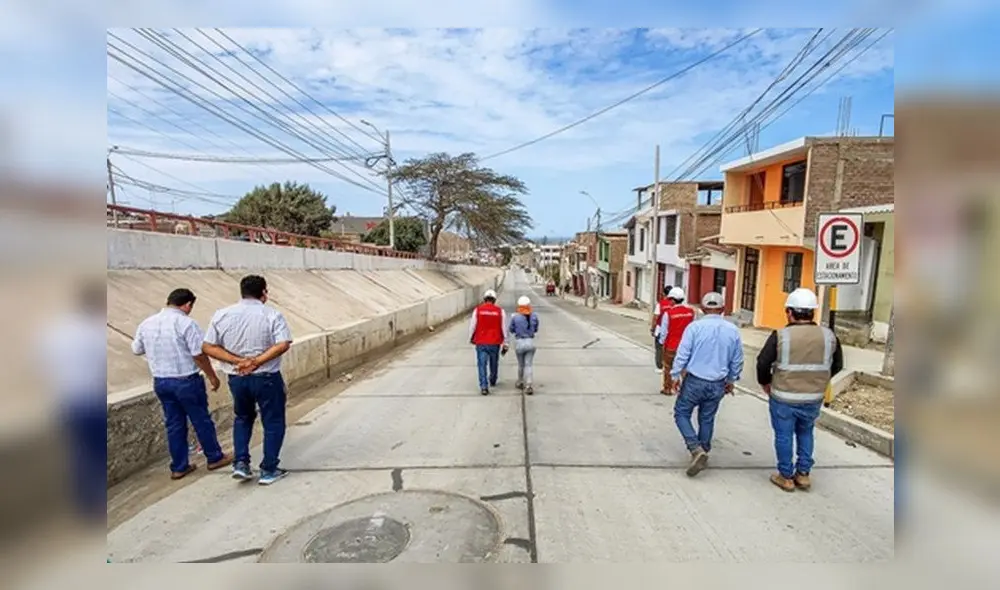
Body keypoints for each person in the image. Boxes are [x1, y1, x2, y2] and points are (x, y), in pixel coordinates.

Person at [131, 288, 232, 480]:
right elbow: (198, 354)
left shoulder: (147, 323)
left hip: (161, 381)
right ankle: (214, 457)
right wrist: (212, 376)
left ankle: (179, 466)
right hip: (186, 380)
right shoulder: (186, 323)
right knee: (201, 419)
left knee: (174, 424)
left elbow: (137, 349)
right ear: (187, 305)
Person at [202, 275, 293, 485]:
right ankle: (269, 469)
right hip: (267, 377)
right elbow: (282, 344)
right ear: (264, 293)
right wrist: (256, 361)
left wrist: (238, 361)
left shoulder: (222, 315)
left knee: (242, 418)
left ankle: (241, 464)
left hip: (237, 377)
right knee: (273, 421)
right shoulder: (271, 315)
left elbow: (208, 346)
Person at [756, 287, 844, 492]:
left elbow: (763, 362)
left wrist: (765, 383)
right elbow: (837, 365)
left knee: (784, 436)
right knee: (806, 432)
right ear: (812, 312)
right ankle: (803, 474)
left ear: (790, 312)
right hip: (813, 397)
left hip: (784, 397)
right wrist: (819, 381)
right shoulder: (829, 336)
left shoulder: (781, 335)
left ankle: (786, 476)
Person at [669, 292, 744, 477]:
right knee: (707, 417)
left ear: (702, 309)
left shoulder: (694, 328)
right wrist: (731, 381)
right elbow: (737, 360)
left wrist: (675, 375)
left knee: (681, 413)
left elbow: (683, 353)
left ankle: (695, 449)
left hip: (695, 380)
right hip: (717, 383)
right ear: (723, 310)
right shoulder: (732, 330)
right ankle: (704, 450)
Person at [657, 287, 696, 396]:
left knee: (668, 367)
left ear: (673, 300)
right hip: (687, 345)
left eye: (670, 299)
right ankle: (685, 389)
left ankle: (668, 389)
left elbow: (664, 331)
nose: (669, 301)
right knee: (685, 368)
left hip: (671, 345)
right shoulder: (691, 312)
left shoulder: (668, 313)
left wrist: (661, 342)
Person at [469, 289, 509, 395]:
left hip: (481, 342)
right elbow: (504, 328)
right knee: (494, 362)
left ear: (484, 299)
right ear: (494, 300)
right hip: (495, 342)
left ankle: (484, 386)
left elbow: (472, 326)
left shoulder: (477, 310)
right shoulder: (500, 312)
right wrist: (506, 342)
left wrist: (471, 338)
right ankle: (493, 379)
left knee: (482, 364)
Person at [509, 295, 540, 395]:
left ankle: (520, 381)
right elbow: (536, 329)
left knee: (521, 364)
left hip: (520, 342)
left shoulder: (515, 317)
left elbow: (511, 329)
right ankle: (529, 385)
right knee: (529, 364)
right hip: (530, 342)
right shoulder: (534, 316)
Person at [650, 285, 675, 373]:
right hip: (672, 329)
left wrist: (652, 328)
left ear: (664, 293)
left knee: (659, 347)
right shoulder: (675, 304)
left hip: (660, 329)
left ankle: (659, 367)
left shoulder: (660, 304)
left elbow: (656, 317)